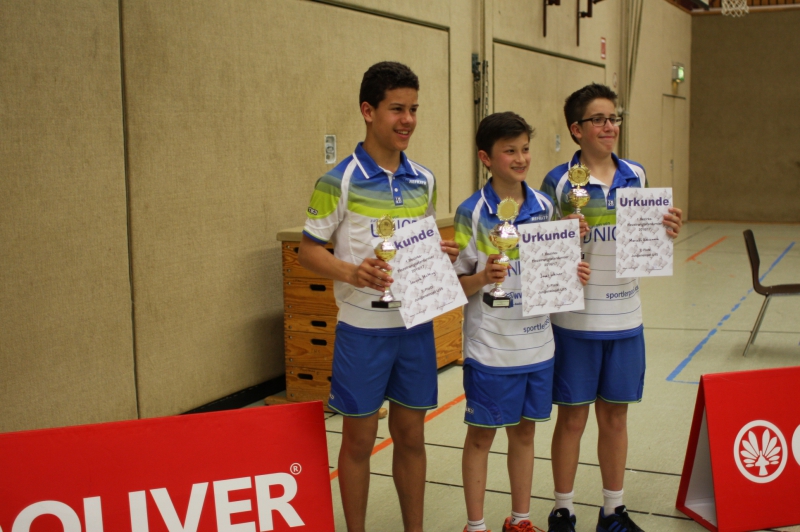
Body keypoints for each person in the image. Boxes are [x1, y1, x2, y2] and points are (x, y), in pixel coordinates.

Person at [298, 61, 458, 532]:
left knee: (411, 438)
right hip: (362, 332)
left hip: (414, 329)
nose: (407, 119)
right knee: (358, 442)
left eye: (413, 109)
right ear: (368, 111)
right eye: (396, 109)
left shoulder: (423, 180)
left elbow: (415, 245)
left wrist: (436, 254)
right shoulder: (338, 181)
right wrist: (353, 271)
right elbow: (309, 252)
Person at [539, 84, 683, 532]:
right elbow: (540, 252)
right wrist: (562, 233)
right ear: (576, 129)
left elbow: (645, 239)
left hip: (625, 317)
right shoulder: (558, 182)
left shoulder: (636, 175)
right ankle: (563, 510)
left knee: (616, 416)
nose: (609, 126)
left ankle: (612, 512)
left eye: (614, 117)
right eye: (598, 119)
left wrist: (667, 228)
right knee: (573, 418)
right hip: (575, 321)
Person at [454, 112, 590, 532]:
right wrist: (483, 277)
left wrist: (574, 269)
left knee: (525, 436)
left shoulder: (546, 206)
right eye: (509, 150)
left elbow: (552, 269)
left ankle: (521, 520)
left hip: (539, 346)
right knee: (481, 436)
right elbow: (455, 285)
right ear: (485, 158)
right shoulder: (472, 213)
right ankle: (476, 526)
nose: (520, 158)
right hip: (491, 348)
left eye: (525, 149)